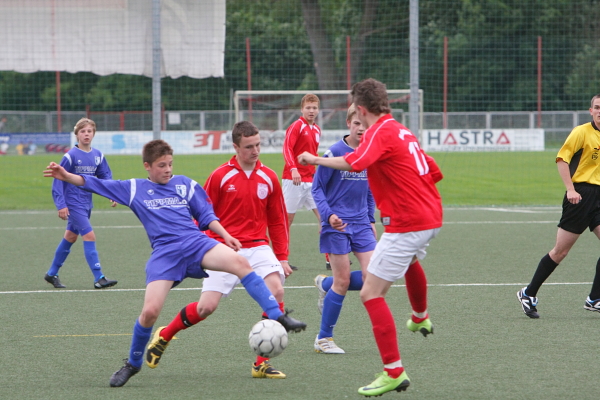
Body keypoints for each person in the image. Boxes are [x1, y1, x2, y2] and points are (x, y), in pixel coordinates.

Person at [43, 139, 307, 388]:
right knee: (150, 312)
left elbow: (206, 215)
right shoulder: (134, 188)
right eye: (161, 165)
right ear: (147, 166)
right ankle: (133, 364)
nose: (168, 170)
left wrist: (225, 235)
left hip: (196, 243)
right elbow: (92, 183)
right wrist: (65, 176)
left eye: (170, 164)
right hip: (165, 254)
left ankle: (278, 316)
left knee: (240, 263)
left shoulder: (185, 184)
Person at [298, 78, 443, 397]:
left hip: (407, 221)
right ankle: (420, 317)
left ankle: (393, 371)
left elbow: (355, 163)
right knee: (408, 262)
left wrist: (314, 159)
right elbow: (434, 172)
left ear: (361, 110)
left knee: (371, 293)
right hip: (431, 215)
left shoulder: (378, 133)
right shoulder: (402, 130)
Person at [145, 121, 300, 379]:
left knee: (276, 290)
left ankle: (261, 364)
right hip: (222, 247)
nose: (255, 151)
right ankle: (165, 335)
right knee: (206, 308)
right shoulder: (220, 176)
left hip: (258, 246)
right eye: (249, 146)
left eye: (258, 145)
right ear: (236, 147)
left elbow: (277, 220)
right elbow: (201, 213)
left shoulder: (269, 177)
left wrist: (282, 257)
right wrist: (196, 249)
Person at [517, 94, 600, 319]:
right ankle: (528, 293)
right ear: (591, 110)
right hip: (580, 196)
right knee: (560, 251)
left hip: (598, 197)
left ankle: (594, 298)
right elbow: (562, 159)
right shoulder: (581, 132)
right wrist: (570, 189)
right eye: (597, 107)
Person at [312, 104, 377, 354]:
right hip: (336, 225)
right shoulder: (334, 153)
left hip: (361, 225)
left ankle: (325, 284)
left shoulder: (370, 153)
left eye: (365, 124)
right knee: (343, 281)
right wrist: (328, 216)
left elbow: (370, 190)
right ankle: (323, 339)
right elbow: (317, 188)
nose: (361, 128)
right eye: (356, 123)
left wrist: (371, 220)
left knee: (375, 277)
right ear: (348, 123)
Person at [44, 117, 118, 289]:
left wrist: (112, 193)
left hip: (86, 203)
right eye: (83, 131)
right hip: (73, 203)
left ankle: (52, 273)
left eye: (89, 131)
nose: (86, 134)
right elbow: (58, 179)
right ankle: (99, 277)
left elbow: (105, 176)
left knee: (70, 237)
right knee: (89, 236)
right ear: (77, 134)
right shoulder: (70, 156)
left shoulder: (98, 155)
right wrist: (61, 204)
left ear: (93, 134)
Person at [282, 93, 325, 270]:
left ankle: (330, 258)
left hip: (310, 181)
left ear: (318, 110)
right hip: (293, 180)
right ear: (302, 109)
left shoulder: (317, 130)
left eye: (314, 108)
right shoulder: (296, 126)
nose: (311, 111)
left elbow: (313, 155)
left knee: (325, 216)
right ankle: (281, 259)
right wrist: (293, 168)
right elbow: (287, 148)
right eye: (308, 107)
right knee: (287, 220)